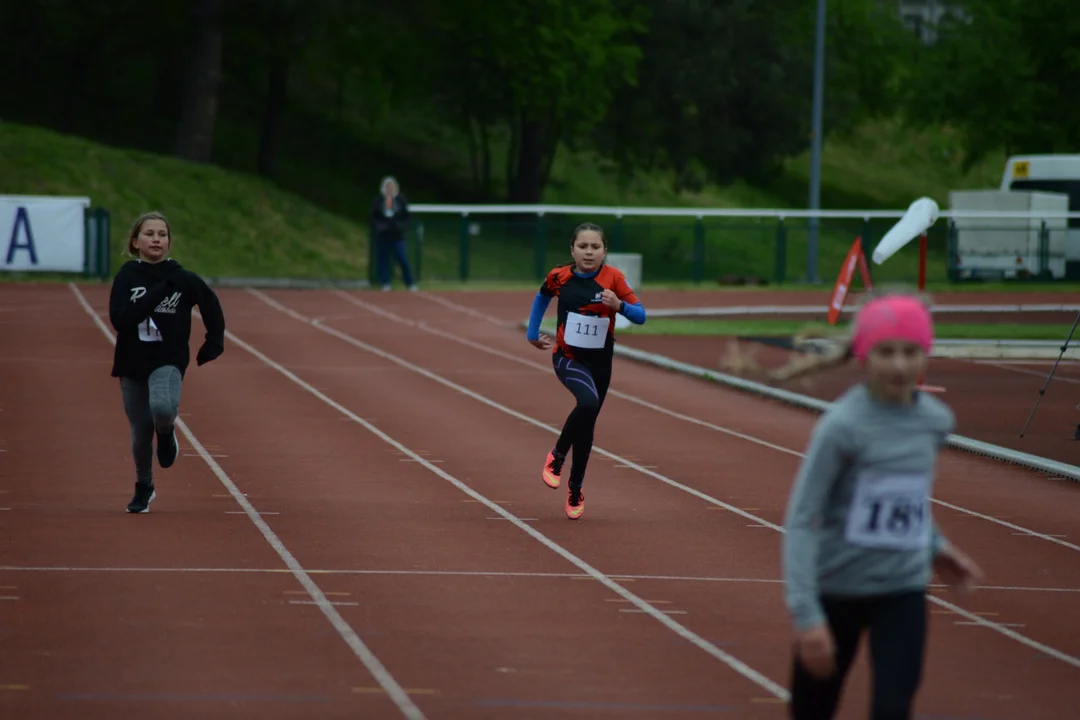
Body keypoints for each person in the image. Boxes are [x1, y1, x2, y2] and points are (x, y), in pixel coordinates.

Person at [725, 289, 983, 720]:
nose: (900, 365)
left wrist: (937, 548)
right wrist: (807, 615)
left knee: (893, 708)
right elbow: (804, 516)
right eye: (886, 352)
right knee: (813, 709)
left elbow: (909, 495)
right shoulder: (842, 427)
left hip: (902, 590)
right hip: (837, 589)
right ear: (863, 355)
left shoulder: (935, 421)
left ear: (927, 353)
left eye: (911, 351)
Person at [525, 222, 647, 519]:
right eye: (583, 246)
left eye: (595, 247)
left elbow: (641, 315)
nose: (589, 252)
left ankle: (576, 487)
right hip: (567, 358)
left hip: (600, 363)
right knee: (588, 403)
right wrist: (532, 332)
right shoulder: (559, 276)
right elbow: (542, 296)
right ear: (572, 249)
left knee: (587, 425)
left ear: (604, 251)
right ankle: (556, 455)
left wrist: (619, 305)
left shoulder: (613, 278)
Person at [108, 211, 227, 514]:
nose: (156, 239)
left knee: (162, 407)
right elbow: (121, 320)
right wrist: (158, 291)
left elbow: (210, 303)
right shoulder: (127, 277)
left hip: (168, 358)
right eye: (149, 234)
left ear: (169, 242)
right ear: (136, 241)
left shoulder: (182, 277)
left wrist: (214, 342)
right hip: (132, 361)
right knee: (139, 433)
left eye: (162, 234)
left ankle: (167, 431)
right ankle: (144, 485)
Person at [369, 175, 417, 292]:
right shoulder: (378, 200)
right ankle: (385, 282)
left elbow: (407, 217)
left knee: (402, 258)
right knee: (383, 259)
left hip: (397, 236)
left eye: (392, 187)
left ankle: (410, 282)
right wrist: (380, 226)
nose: (390, 189)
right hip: (383, 236)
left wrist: (401, 226)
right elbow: (373, 217)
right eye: (387, 187)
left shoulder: (400, 200)